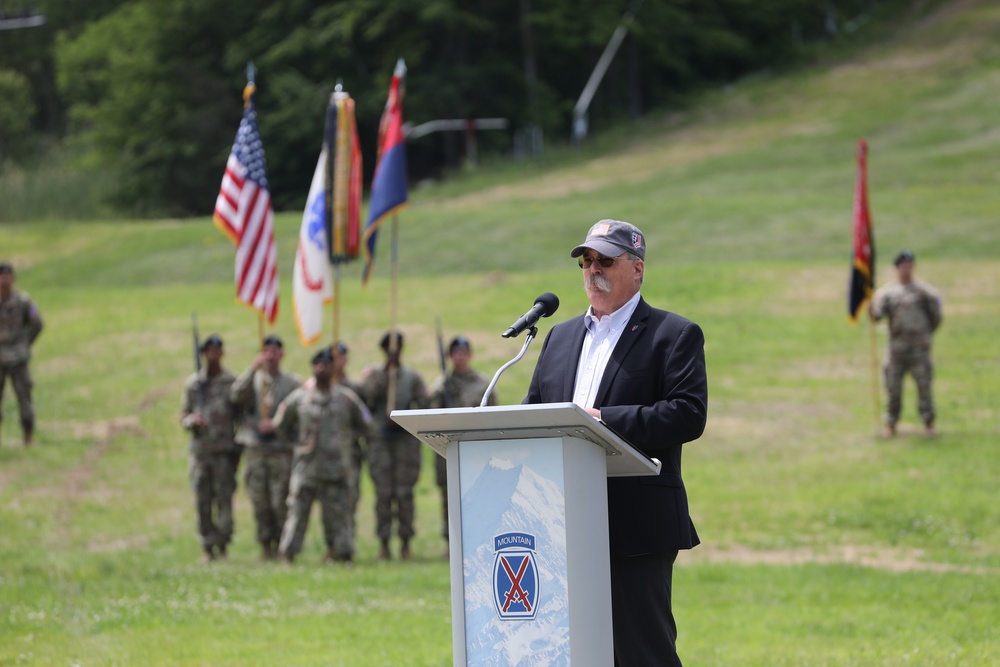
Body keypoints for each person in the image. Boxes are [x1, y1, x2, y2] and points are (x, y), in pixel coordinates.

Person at [523, 219, 708, 667]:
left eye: (605, 260)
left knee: (642, 654)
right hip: (559, 524)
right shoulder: (560, 337)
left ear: (638, 269)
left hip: (635, 526)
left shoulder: (672, 335)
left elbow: (687, 414)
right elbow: (532, 413)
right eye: (586, 261)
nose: (592, 269)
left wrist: (601, 420)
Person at [271, 346, 373, 565]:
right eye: (317, 364)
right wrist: (297, 444)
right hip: (306, 466)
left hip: (336, 466)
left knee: (338, 512)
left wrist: (347, 441)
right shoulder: (299, 398)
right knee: (297, 512)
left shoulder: (346, 398)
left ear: (334, 367)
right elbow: (280, 425)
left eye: (326, 364)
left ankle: (342, 552)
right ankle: (288, 553)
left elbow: (366, 423)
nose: (322, 368)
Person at [230, 335, 301, 561]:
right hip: (256, 449)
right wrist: (252, 369)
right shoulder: (253, 380)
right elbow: (235, 396)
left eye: (274, 351)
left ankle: (283, 546)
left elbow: (300, 409)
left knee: (280, 501)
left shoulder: (291, 383)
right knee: (259, 501)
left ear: (282, 354)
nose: (270, 356)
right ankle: (265, 546)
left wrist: (277, 423)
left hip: (280, 449)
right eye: (266, 351)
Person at [359, 331, 429, 560]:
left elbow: (425, 405)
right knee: (383, 495)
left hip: (405, 444)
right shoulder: (376, 376)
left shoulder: (412, 378)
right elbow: (365, 401)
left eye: (396, 348)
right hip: (381, 443)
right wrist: (380, 378)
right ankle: (384, 544)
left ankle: (406, 542)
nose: (393, 352)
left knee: (405, 494)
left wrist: (406, 418)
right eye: (389, 349)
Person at [428, 335, 496, 557]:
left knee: (477, 494)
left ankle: (479, 540)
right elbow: (431, 414)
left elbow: (494, 414)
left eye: (463, 351)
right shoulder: (441, 385)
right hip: (448, 448)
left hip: (476, 449)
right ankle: (452, 544)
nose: (460, 356)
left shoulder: (482, 383)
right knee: (450, 497)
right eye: (455, 352)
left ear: (470, 354)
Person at [870, 250, 943, 437]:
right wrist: (869, 307)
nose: (906, 268)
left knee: (924, 387)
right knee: (893, 388)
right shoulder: (887, 293)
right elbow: (877, 316)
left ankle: (928, 423)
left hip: (920, 349)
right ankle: (890, 424)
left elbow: (936, 316)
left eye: (909, 264)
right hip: (896, 350)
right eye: (903, 265)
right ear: (897, 268)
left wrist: (924, 335)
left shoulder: (925, 292)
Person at [180, 334, 239, 562]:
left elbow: (239, 413)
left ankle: (223, 545)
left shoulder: (231, 382)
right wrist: (192, 421)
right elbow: (183, 414)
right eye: (208, 351)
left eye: (216, 350)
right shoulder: (194, 385)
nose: (212, 355)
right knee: (202, 501)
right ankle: (207, 546)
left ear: (222, 353)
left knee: (224, 500)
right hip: (201, 451)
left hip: (224, 451)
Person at [0, 261, 44, 447]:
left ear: (13, 278)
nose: (5, 279)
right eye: (2, 276)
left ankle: (28, 437)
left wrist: (25, 342)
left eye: (8, 276)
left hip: (18, 358)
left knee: (24, 398)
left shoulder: (23, 301)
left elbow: (37, 322)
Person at [330, 341, 367, 535]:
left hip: (349, 454)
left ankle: (348, 542)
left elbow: (365, 420)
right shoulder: (317, 387)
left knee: (350, 498)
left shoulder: (354, 389)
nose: (337, 361)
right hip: (325, 456)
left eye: (341, 356)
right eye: (333, 357)